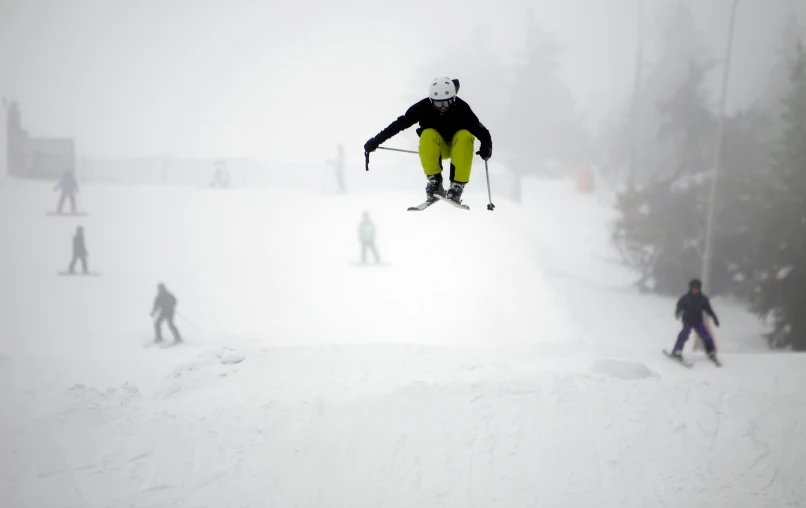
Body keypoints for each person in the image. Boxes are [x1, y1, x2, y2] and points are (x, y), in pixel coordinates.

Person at [363, 77, 493, 205]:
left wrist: (486, 147)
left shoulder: (462, 108)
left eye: (446, 103)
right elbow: (399, 124)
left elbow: (483, 132)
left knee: (465, 135)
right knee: (427, 133)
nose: (442, 107)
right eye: (438, 103)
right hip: (437, 148)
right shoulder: (423, 107)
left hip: (458, 147)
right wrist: (376, 140)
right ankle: (435, 182)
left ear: (453, 99)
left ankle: (457, 186)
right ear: (431, 100)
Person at [670, 279, 720, 362]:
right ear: (690, 288)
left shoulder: (703, 299)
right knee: (684, 333)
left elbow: (709, 310)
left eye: (697, 288)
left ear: (699, 288)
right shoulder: (685, 298)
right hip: (687, 319)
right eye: (693, 288)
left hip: (698, 320)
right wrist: (678, 313)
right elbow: (680, 306)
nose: (695, 290)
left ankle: (711, 351)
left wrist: (715, 319)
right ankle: (677, 351)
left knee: (706, 335)